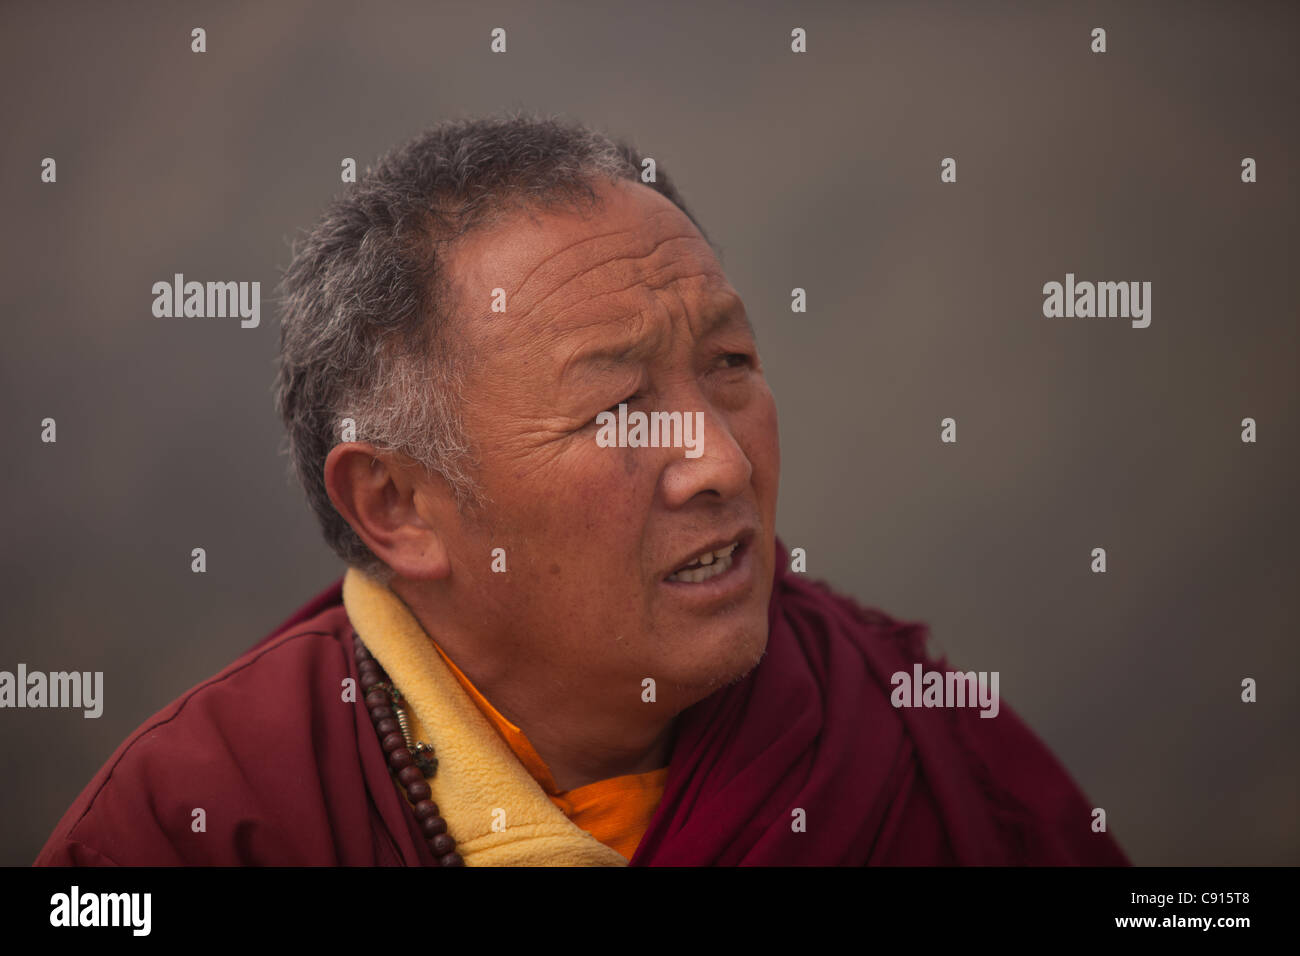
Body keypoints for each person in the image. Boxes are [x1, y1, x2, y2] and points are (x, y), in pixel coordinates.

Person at [35, 112, 1129, 866]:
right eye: (616, 412)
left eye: (730, 366)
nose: (723, 462)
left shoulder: (911, 741)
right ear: (398, 504)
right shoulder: (200, 824)